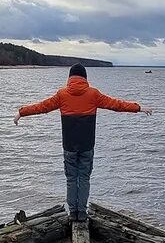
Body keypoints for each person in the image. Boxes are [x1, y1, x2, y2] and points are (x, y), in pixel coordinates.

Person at [14, 64, 151, 222]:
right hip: (87, 145)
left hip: (69, 146)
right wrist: (138, 108)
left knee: (71, 179)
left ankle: (73, 213)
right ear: (85, 78)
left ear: (70, 78)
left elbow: (42, 107)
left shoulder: (62, 94)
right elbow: (116, 105)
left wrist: (21, 112)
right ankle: (82, 212)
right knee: (84, 178)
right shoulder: (93, 94)